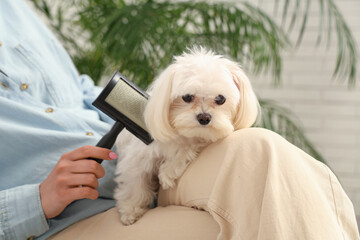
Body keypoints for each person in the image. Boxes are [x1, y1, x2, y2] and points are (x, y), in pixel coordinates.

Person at [0, 1, 359, 240]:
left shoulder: (16, 9)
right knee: (269, 210)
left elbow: (76, 90)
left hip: (156, 157)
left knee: (261, 149)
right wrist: (36, 201)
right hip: (69, 217)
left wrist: (155, 113)